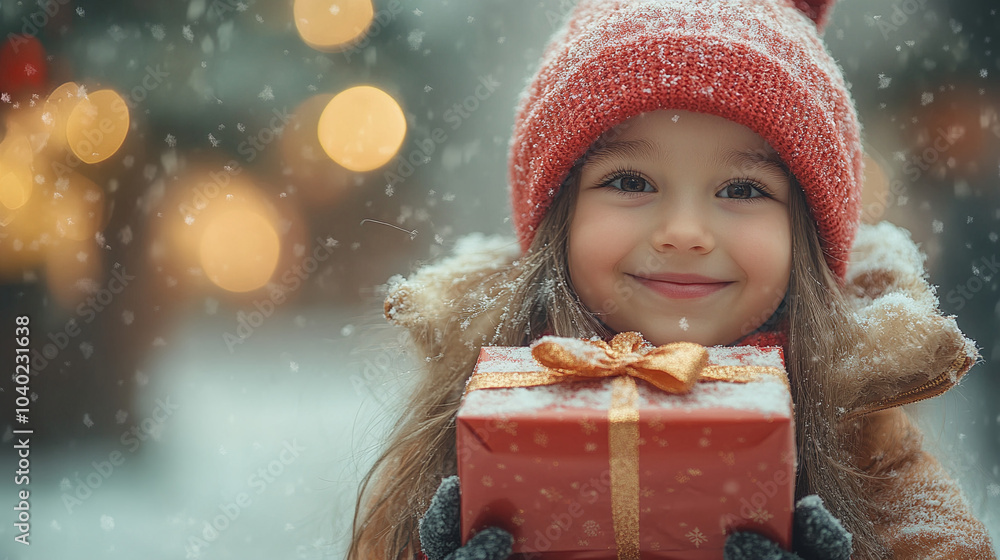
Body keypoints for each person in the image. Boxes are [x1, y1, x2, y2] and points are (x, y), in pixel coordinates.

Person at [348, 0, 997, 558]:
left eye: (742, 188)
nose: (684, 231)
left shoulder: (864, 445)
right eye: (630, 182)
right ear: (559, 218)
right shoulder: (471, 420)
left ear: (803, 235)